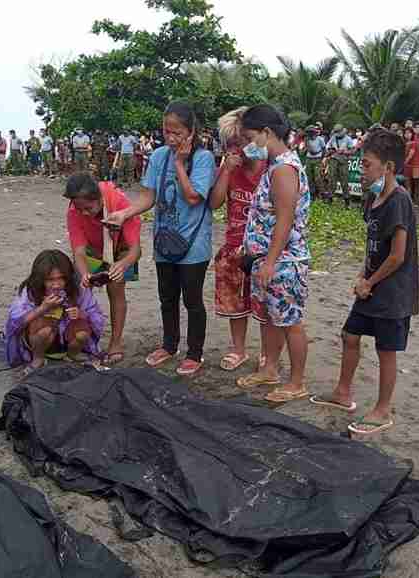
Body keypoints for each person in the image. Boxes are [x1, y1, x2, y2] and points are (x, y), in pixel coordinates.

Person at [309, 128, 418, 436]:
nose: (362, 169)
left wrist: (369, 281)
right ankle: (343, 393)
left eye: (367, 164)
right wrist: (362, 275)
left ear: (389, 168)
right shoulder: (373, 199)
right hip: (370, 284)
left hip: (393, 290)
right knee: (350, 334)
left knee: (386, 349)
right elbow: (373, 244)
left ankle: (382, 410)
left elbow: (397, 255)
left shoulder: (399, 201)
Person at [107, 101, 215, 376]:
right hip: (165, 241)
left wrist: (179, 163)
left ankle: (194, 353)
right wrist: (125, 213)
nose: (171, 137)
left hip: (193, 244)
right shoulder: (157, 157)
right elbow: (148, 197)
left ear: (191, 131)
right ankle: (169, 346)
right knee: (167, 297)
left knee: (192, 300)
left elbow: (193, 197)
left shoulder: (203, 159)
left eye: (177, 132)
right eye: (167, 131)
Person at [233, 104, 310, 403]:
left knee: (290, 321)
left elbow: (285, 219)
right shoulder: (275, 166)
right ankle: (270, 369)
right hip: (266, 260)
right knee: (269, 318)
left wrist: (270, 261)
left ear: (267, 133)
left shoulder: (284, 169)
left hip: (284, 262)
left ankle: (297, 381)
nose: (249, 145)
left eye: (251, 137)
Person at [210, 107, 268, 371]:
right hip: (234, 245)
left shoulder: (272, 168)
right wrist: (225, 170)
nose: (239, 149)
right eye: (233, 145)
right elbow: (215, 202)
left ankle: (268, 352)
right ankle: (239, 350)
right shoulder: (230, 167)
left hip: (263, 249)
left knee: (266, 305)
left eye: (243, 141)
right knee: (235, 303)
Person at [65, 172, 141, 366]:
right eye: (79, 208)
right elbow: (79, 252)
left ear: (99, 199)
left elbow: (135, 250)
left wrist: (121, 265)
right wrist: (84, 274)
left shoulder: (120, 203)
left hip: (121, 243)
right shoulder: (75, 210)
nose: (84, 213)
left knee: (116, 286)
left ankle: (115, 343)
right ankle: (80, 338)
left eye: (88, 208)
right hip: (94, 244)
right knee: (80, 287)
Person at [4, 249, 105, 375]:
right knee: (44, 331)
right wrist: (42, 309)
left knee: (82, 333)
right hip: (41, 341)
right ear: (40, 279)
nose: (56, 285)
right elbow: (14, 322)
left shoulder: (79, 289)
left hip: (69, 339)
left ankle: (73, 354)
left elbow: (97, 315)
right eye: (50, 280)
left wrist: (81, 314)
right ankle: (38, 358)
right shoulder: (30, 291)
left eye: (61, 279)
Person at [325, 124, 356, 207]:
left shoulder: (348, 139)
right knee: (331, 179)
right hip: (333, 160)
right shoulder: (333, 138)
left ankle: (347, 201)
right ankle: (330, 198)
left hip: (343, 161)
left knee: (344, 180)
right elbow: (328, 147)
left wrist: (344, 152)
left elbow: (353, 151)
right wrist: (330, 150)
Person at [404, 125, 419, 205]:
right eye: (405, 133)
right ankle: (409, 201)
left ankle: (417, 201)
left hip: (416, 164)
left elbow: (417, 150)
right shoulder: (405, 142)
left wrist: (404, 162)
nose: (407, 134)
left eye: (409, 133)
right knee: (408, 183)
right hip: (408, 165)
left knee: (416, 183)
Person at [304, 125, 326, 198]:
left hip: (317, 158)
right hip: (309, 158)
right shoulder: (307, 139)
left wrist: (321, 158)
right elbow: (306, 148)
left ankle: (321, 193)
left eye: (311, 132)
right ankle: (312, 194)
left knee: (317, 177)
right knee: (309, 177)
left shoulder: (320, 139)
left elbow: (324, 149)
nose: (309, 134)